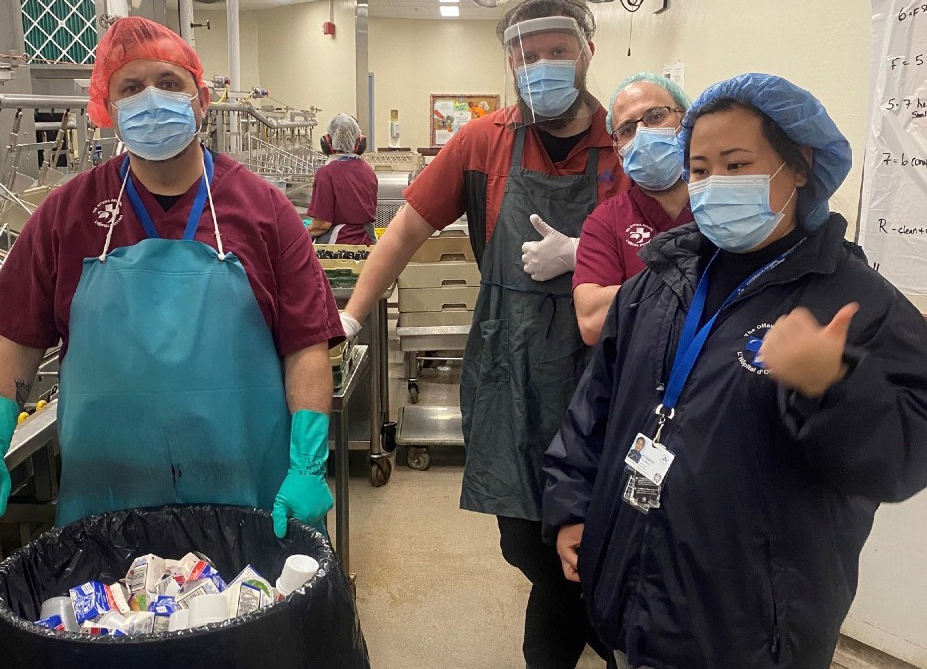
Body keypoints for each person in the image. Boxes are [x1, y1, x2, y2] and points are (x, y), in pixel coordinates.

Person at [542, 73, 927, 669]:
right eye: (698, 168)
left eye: (737, 163)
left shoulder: (854, 303)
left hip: (752, 630)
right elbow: (593, 409)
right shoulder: (656, 286)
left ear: (799, 166)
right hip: (635, 586)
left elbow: (904, 461)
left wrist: (834, 385)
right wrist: (571, 508)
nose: (713, 184)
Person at [0, 17, 342, 538]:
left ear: (201, 101)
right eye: (131, 87)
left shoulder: (264, 211)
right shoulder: (67, 214)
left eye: (170, 83)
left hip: (247, 501)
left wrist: (308, 467)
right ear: (109, 110)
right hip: (108, 507)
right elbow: (16, 339)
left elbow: (305, 346)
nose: (152, 99)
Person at [339, 1, 627, 665]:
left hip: (603, 365)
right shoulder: (483, 142)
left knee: (594, 531)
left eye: (556, 50)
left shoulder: (624, 140)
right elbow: (407, 228)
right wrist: (352, 312)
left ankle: (590, 642)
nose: (541, 65)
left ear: (586, 52)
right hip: (513, 361)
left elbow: (664, 242)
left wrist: (586, 249)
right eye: (527, 55)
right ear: (509, 61)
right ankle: (606, 632)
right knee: (525, 538)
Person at [573, 73, 693, 345]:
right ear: (618, 151)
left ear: (687, 121)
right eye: (627, 130)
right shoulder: (607, 221)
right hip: (639, 378)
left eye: (655, 116)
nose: (643, 134)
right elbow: (592, 321)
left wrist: (629, 294)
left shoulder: (723, 203)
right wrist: (699, 290)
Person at [308, 113, 378, 245]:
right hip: (368, 241)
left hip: (339, 244)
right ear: (359, 141)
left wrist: (300, 234)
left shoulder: (326, 173)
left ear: (328, 142)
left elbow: (322, 224)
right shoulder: (368, 170)